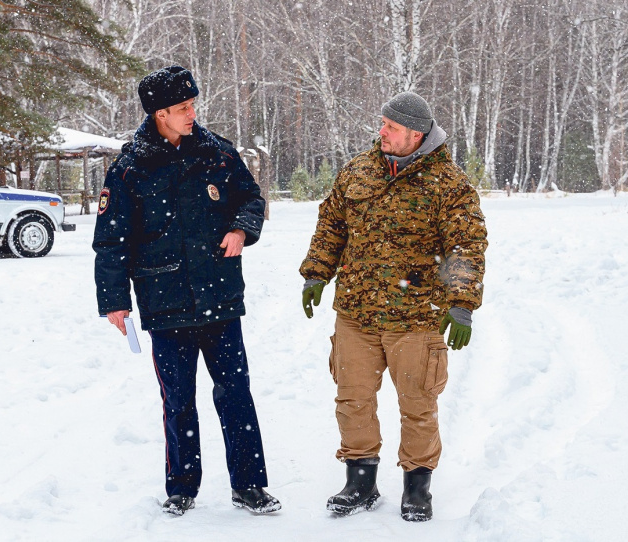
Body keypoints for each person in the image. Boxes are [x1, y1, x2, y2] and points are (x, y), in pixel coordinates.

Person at [93, 66, 280, 517]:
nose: (192, 113)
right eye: (182, 108)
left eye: (193, 104)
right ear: (159, 113)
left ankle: (250, 486)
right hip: (165, 302)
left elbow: (252, 198)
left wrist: (241, 228)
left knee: (236, 393)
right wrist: (115, 301)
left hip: (219, 297)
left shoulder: (217, 152)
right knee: (177, 401)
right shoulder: (130, 168)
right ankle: (181, 487)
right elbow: (111, 238)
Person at [299, 91, 488, 522]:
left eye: (391, 127)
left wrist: (460, 304)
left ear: (416, 135)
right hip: (357, 313)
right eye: (382, 123)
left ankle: (417, 486)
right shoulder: (358, 171)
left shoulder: (449, 184)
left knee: (418, 403)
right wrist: (316, 273)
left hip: (417, 316)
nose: (381, 132)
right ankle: (360, 481)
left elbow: (465, 245)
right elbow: (331, 225)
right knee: (353, 399)